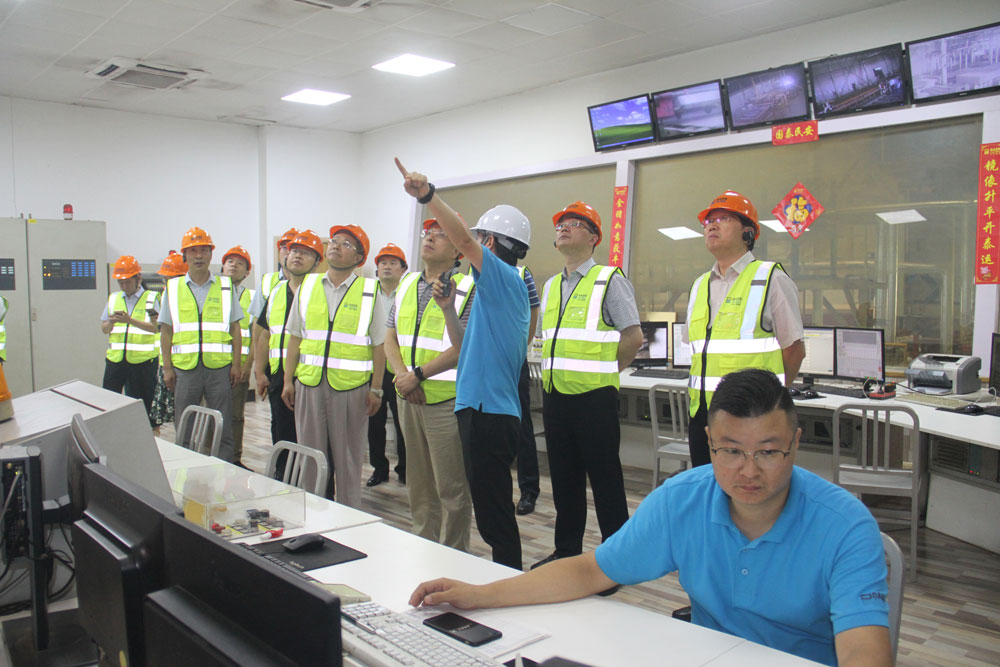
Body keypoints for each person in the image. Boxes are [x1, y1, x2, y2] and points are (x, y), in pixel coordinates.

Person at [408, 369, 892, 667]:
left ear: (795, 444)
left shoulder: (845, 527)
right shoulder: (683, 501)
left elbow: (864, 652)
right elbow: (591, 571)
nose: (748, 471)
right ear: (709, 442)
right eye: (730, 451)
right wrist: (480, 595)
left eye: (768, 452)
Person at [396, 158, 530, 570]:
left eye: (479, 239)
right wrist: (448, 309)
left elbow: (463, 242)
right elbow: (464, 345)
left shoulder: (505, 278)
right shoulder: (494, 292)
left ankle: (509, 583)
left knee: (494, 519)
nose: (472, 245)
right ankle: (503, 579)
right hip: (477, 409)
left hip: (491, 414)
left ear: (490, 242)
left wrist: (428, 196)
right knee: (491, 514)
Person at [533, 201, 642, 575]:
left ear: (594, 237)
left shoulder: (609, 280)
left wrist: (606, 370)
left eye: (574, 223)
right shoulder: (551, 286)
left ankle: (618, 562)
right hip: (556, 396)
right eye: (560, 223)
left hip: (594, 398)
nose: (563, 228)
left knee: (606, 483)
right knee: (564, 481)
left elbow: (633, 337)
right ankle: (566, 551)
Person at [684, 191, 805, 467]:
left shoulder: (771, 278)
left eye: (724, 219)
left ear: (748, 233)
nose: (712, 226)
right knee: (705, 485)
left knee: (746, 487)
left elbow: (794, 350)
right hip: (702, 414)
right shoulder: (699, 285)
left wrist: (770, 403)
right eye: (709, 221)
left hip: (752, 415)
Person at [384, 218, 475, 551]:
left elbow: (464, 346)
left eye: (441, 235)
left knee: (452, 488)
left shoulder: (468, 287)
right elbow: (390, 336)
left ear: (457, 250)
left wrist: (417, 375)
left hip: (446, 402)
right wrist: (402, 377)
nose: (430, 239)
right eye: (427, 233)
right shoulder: (408, 283)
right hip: (408, 397)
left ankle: (454, 555)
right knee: (419, 485)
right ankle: (424, 549)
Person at [281, 224, 386, 508]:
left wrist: (376, 389)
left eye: (346, 244)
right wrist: (288, 380)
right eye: (334, 241)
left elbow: (379, 345)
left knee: (348, 459)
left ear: (359, 258)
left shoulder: (370, 291)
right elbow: (295, 337)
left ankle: (349, 515)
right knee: (309, 457)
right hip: (309, 384)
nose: (336, 245)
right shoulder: (308, 286)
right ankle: (312, 514)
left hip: (351, 389)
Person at [159, 227, 243, 463]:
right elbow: (166, 330)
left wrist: (237, 364)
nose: (198, 256)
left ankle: (224, 470)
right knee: (185, 425)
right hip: (185, 369)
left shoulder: (225, 286)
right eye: (193, 251)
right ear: (185, 255)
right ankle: (185, 470)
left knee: (223, 425)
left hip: (219, 369)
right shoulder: (173, 288)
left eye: (204, 250)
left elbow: (235, 328)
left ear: (211, 254)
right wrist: (167, 367)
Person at [254, 231, 323, 449]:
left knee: (309, 435)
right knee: (281, 431)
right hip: (278, 373)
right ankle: (282, 468)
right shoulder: (276, 292)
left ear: (317, 262)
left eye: (306, 253)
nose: (297, 256)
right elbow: (266, 334)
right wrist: (259, 371)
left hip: (309, 375)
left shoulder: (322, 293)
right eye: (294, 251)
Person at [100, 255, 160, 425]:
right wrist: (112, 322)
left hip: (142, 362)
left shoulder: (151, 298)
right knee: (109, 404)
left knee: (142, 409)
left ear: (138, 278)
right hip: (115, 360)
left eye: (127, 282)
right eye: (121, 282)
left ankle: (145, 435)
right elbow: (104, 329)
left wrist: (130, 321)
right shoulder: (114, 298)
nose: (124, 286)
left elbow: (157, 328)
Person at [367, 243, 408, 487]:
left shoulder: (408, 292)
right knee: (375, 421)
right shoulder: (368, 293)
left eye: (393, 263)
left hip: (400, 368)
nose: (387, 266)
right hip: (374, 368)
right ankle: (379, 468)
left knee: (403, 423)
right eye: (383, 262)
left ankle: (405, 469)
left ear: (403, 269)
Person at [221, 245, 255, 466]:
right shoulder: (211, 293)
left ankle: (234, 459)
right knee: (211, 415)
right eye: (230, 261)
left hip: (239, 367)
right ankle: (210, 456)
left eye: (240, 263)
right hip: (213, 366)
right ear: (222, 267)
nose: (234, 265)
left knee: (235, 416)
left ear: (247, 272)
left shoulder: (252, 297)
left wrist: (247, 366)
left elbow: (257, 336)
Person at [150, 251, 187, 430]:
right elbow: (163, 331)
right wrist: (166, 366)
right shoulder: (165, 296)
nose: (166, 283)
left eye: (169, 278)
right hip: (167, 362)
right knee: (176, 413)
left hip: (187, 364)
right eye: (165, 279)